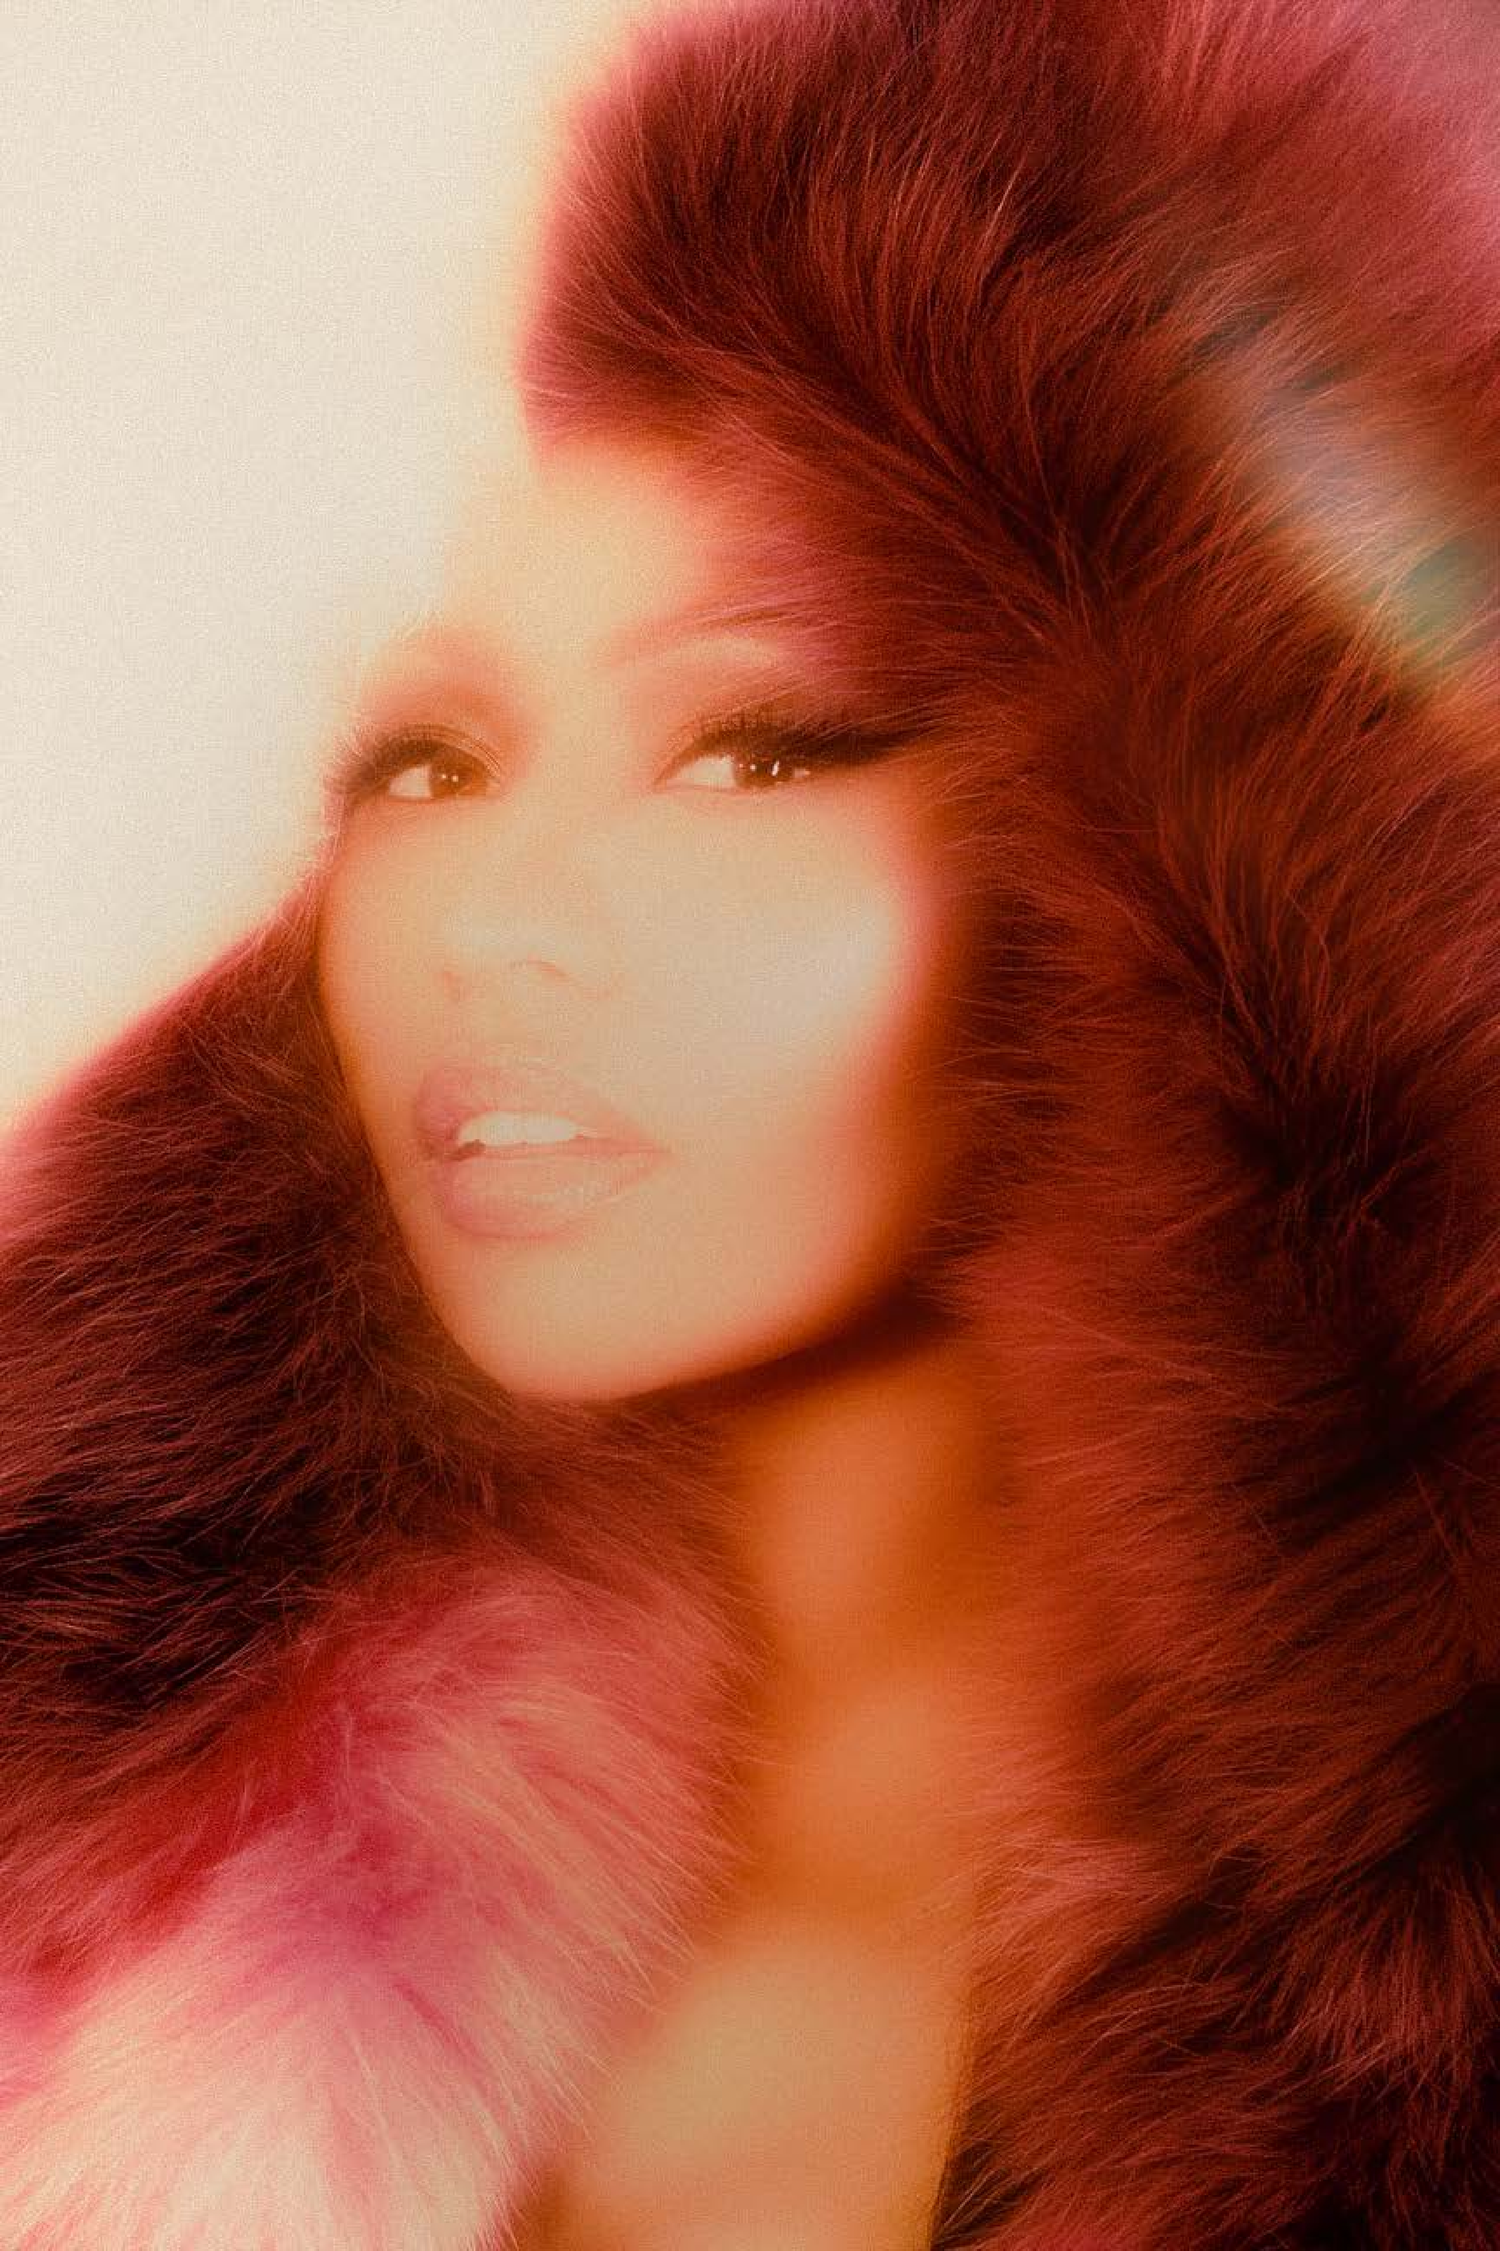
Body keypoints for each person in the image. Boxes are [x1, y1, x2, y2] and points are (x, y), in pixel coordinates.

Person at [1, 0, 1495, 2244]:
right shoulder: (89, 1812)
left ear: (1171, 870)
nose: (492, 918)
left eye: (758, 747)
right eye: (430, 760)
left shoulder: (1417, 1999)